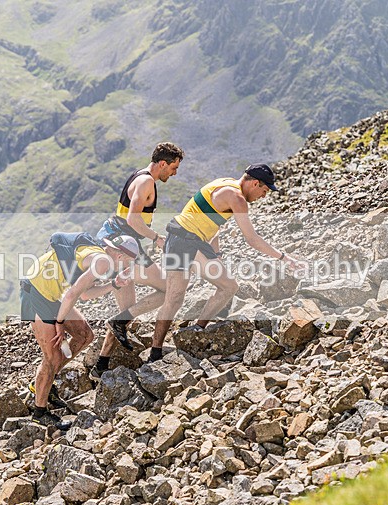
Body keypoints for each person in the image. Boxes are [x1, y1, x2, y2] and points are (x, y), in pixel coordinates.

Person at [150, 164, 305, 361]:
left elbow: (212, 221)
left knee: (175, 299)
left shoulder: (225, 183)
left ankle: (156, 351)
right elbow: (252, 239)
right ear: (255, 183)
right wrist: (284, 257)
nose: (263, 196)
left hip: (178, 237)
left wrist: (216, 254)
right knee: (227, 287)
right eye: (264, 191)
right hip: (187, 241)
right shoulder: (238, 199)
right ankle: (197, 330)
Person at [21, 232, 139, 429]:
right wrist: (59, 322)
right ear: (120, 255)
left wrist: (113, 284)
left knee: (85, 336)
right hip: (34, 293)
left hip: (48, 293)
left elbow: (84, 294)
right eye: (129, 261)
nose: (128, 266)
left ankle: (43, 384)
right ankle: (39, 413)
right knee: (52, 357)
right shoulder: (102, 262)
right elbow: (73, 294)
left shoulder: (98, 257)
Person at [91, 142, 185, 378]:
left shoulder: (139, 175)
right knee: (167, 289)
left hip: (115, 243)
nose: (174, 173)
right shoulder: (146, 182)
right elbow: (134, 219)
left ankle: (100, 366)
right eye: (173, 168)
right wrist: (156, 238)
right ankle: (121, 328)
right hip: (122, 246)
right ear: (162, 164)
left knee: (124, 313)